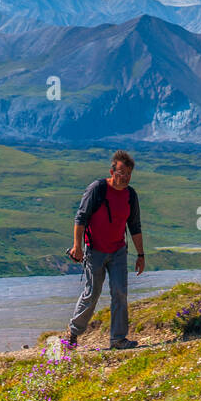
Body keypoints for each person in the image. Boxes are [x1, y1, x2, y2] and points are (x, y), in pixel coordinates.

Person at [66, 149, 145, 350]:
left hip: (118, 250)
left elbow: (134, 226)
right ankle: (73, 333)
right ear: (112, 172)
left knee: (120, 292)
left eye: (128, 174)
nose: (124, 178)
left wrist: (141, 255)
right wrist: (78, 246)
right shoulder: (97, 189)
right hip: (95, 251)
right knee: (92, 292)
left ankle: (118, 339)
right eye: (121, 173)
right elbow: (80, 218)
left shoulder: (130, 195)